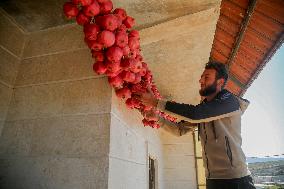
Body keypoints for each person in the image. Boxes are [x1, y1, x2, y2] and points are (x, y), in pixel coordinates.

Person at [139, 61, 256, 189]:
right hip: (212, 179)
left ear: (220, 82)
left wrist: (156, 102)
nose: (200, 80)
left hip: (236, 180)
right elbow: (180, 129)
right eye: (201, 77)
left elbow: (196, 114)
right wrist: (158, 118)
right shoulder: (204, 109)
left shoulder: (229, 102)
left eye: (206, 77)